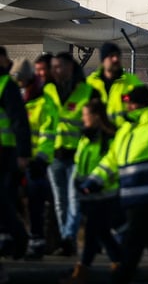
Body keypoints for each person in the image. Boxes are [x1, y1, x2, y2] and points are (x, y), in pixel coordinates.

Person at [82, 84, 148, 284]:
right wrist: (94, 181)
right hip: (130, 193)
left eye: (130, 103)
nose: (126, 107)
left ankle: (122, 276)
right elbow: (112, 159)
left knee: (133, 239)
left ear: (139, 104)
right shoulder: (127, 128)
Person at [62, 98, 122, 284]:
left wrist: (93, 183)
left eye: (86, 115)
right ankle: (120, 264)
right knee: (102, 233)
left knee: (91, 233)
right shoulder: (86, 136)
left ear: (96, 117)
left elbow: (110, 165)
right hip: (88, 193)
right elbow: (81, 163)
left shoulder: (109, 138)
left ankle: (82, 270)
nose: (83, 118)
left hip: (104, 194)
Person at [49, 52, 99, 257]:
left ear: (70, 67)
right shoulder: (49, 90)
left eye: (59, 66)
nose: (55, 70)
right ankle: (66, 241)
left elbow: (96, 118)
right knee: (60, 201)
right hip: (54, 154)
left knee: (73, 199)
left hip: (77, 153)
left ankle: (69, 237)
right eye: (54, 66)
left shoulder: (86, 91)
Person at [13, 58, 59, 259]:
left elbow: (48, 135)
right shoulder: (15, 96)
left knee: (36, 203)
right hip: (14, 160)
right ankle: (16, 239)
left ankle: (37, 242)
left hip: (34, 162)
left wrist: (40, 159)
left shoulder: (43, 101)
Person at [0, 48, 32, 282]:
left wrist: (23, 153)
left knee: (3, 200)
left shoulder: (6, 86)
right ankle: (13, 240)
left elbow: (20, 121)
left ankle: (19, 238)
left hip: (4, 151)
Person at [86, 42, 143, 126]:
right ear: (103, 60)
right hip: (98, 136)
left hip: (123, 135)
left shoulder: (132, 82)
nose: (115, 59)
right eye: (111, 56)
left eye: (117, 56)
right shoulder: (90, 83)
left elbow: (143, 110)